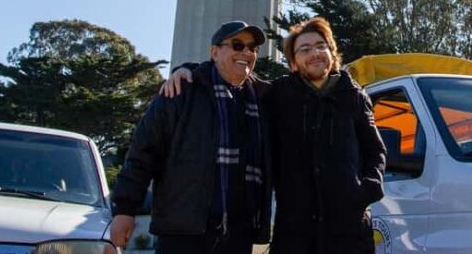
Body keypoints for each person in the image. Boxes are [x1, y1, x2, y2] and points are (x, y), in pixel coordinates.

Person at [163, 16, 387, 254]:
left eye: (321, 46)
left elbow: (376, 151)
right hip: (295, 234)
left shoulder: (354, 97)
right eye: (305, 49)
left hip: (348, 231)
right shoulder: (279, 94)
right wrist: (187, 70)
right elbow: (232, 73)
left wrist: (366, 190)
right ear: (293, 61)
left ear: (332, 52)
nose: (315, 54)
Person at [110, 21, 272, 254]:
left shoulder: (262, 99)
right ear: (214, 52)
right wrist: (124, 209)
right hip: (184, 231)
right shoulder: (181, 91)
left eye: (253, 48)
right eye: (237, 45)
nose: (246, 53)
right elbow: (144, 152)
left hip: (239, 233)